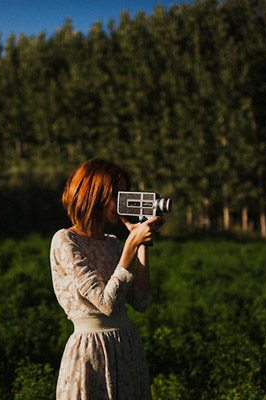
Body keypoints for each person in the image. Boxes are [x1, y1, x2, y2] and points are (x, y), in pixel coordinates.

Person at [49, 159, 161, 400]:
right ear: (93, 195)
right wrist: (130, 245)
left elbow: (141, 301)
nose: (120, 202)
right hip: (91, 352)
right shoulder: (66, 240)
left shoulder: (111, 243)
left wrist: (141, 245)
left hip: (126, 347)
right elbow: (106, 304)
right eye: (115, 194)